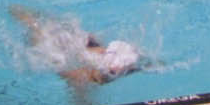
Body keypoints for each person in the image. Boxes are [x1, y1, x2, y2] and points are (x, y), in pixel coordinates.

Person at [11, 6, 143, 90]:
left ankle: (19, 11)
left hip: (70, 45)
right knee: (37, 29)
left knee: (37, 25)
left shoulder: (84, 59)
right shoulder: (79, 74)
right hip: (61, 46)